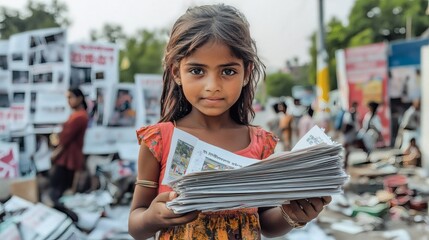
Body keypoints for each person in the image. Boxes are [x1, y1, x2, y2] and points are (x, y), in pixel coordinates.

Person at [128, 4, 331, 240]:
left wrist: (294, 215)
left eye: (227, 72)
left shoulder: (260, 143)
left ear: (246, 73)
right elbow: (135, 224)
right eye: (197, 71)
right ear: (176, 72)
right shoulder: (159, 140)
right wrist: (153, 217)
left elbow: (265, 222)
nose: (212, 85)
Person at [49, 88, 89, 206]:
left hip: (68, 158)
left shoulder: (80, 117)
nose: (68, 101)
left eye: (70, 97)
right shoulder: (76, 115)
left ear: (80, 98)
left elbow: (65, 139)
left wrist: (56, 152)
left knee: (57, 192)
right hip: (67, 156)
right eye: (67, 98)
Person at [341, 102, 359, 169]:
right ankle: (344, 163)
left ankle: (345, 163)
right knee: (347, 149)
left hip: (349, 134)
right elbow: (350, 124)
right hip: (349, 134)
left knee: (347, 150)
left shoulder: (351, 113)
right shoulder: (351, 114)